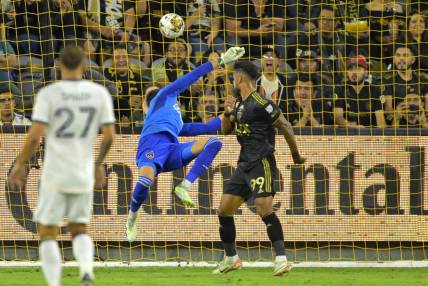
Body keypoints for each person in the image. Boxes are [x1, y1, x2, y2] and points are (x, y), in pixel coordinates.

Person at [8, 46, 116, 286]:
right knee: (79, 227)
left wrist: (20, 163)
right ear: (84, 67)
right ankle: (86, 272)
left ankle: (55, 284)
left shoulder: (49, 94)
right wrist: (98, 164)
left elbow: (35, 137)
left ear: (59, 67)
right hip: (81, 170)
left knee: (47, 231)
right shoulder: (98, 94)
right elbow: (109, 136)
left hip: (54, 171)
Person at [125, 46, 245, 242]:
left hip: (172, 151)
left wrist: (233, 111)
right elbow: (192, 76)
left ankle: (185, 185)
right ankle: (132, 216)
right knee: (145, 180)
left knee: (213, 141)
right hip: (152, 146)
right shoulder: (163, 95)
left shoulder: (177, 122)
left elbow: (209, 127)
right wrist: (221, 60)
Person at [213, 61, 306, 276]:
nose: (231, 81)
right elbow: (226, 131)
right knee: (224, 210)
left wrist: (296, 155)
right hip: (243, 164)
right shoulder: (238, 104)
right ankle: (231, 257)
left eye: (233, 77)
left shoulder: (261, 103)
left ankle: (281, 259)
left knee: (264, 208)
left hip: (261, 162)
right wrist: (227, 112)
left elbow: (285, 125)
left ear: (239, 78)